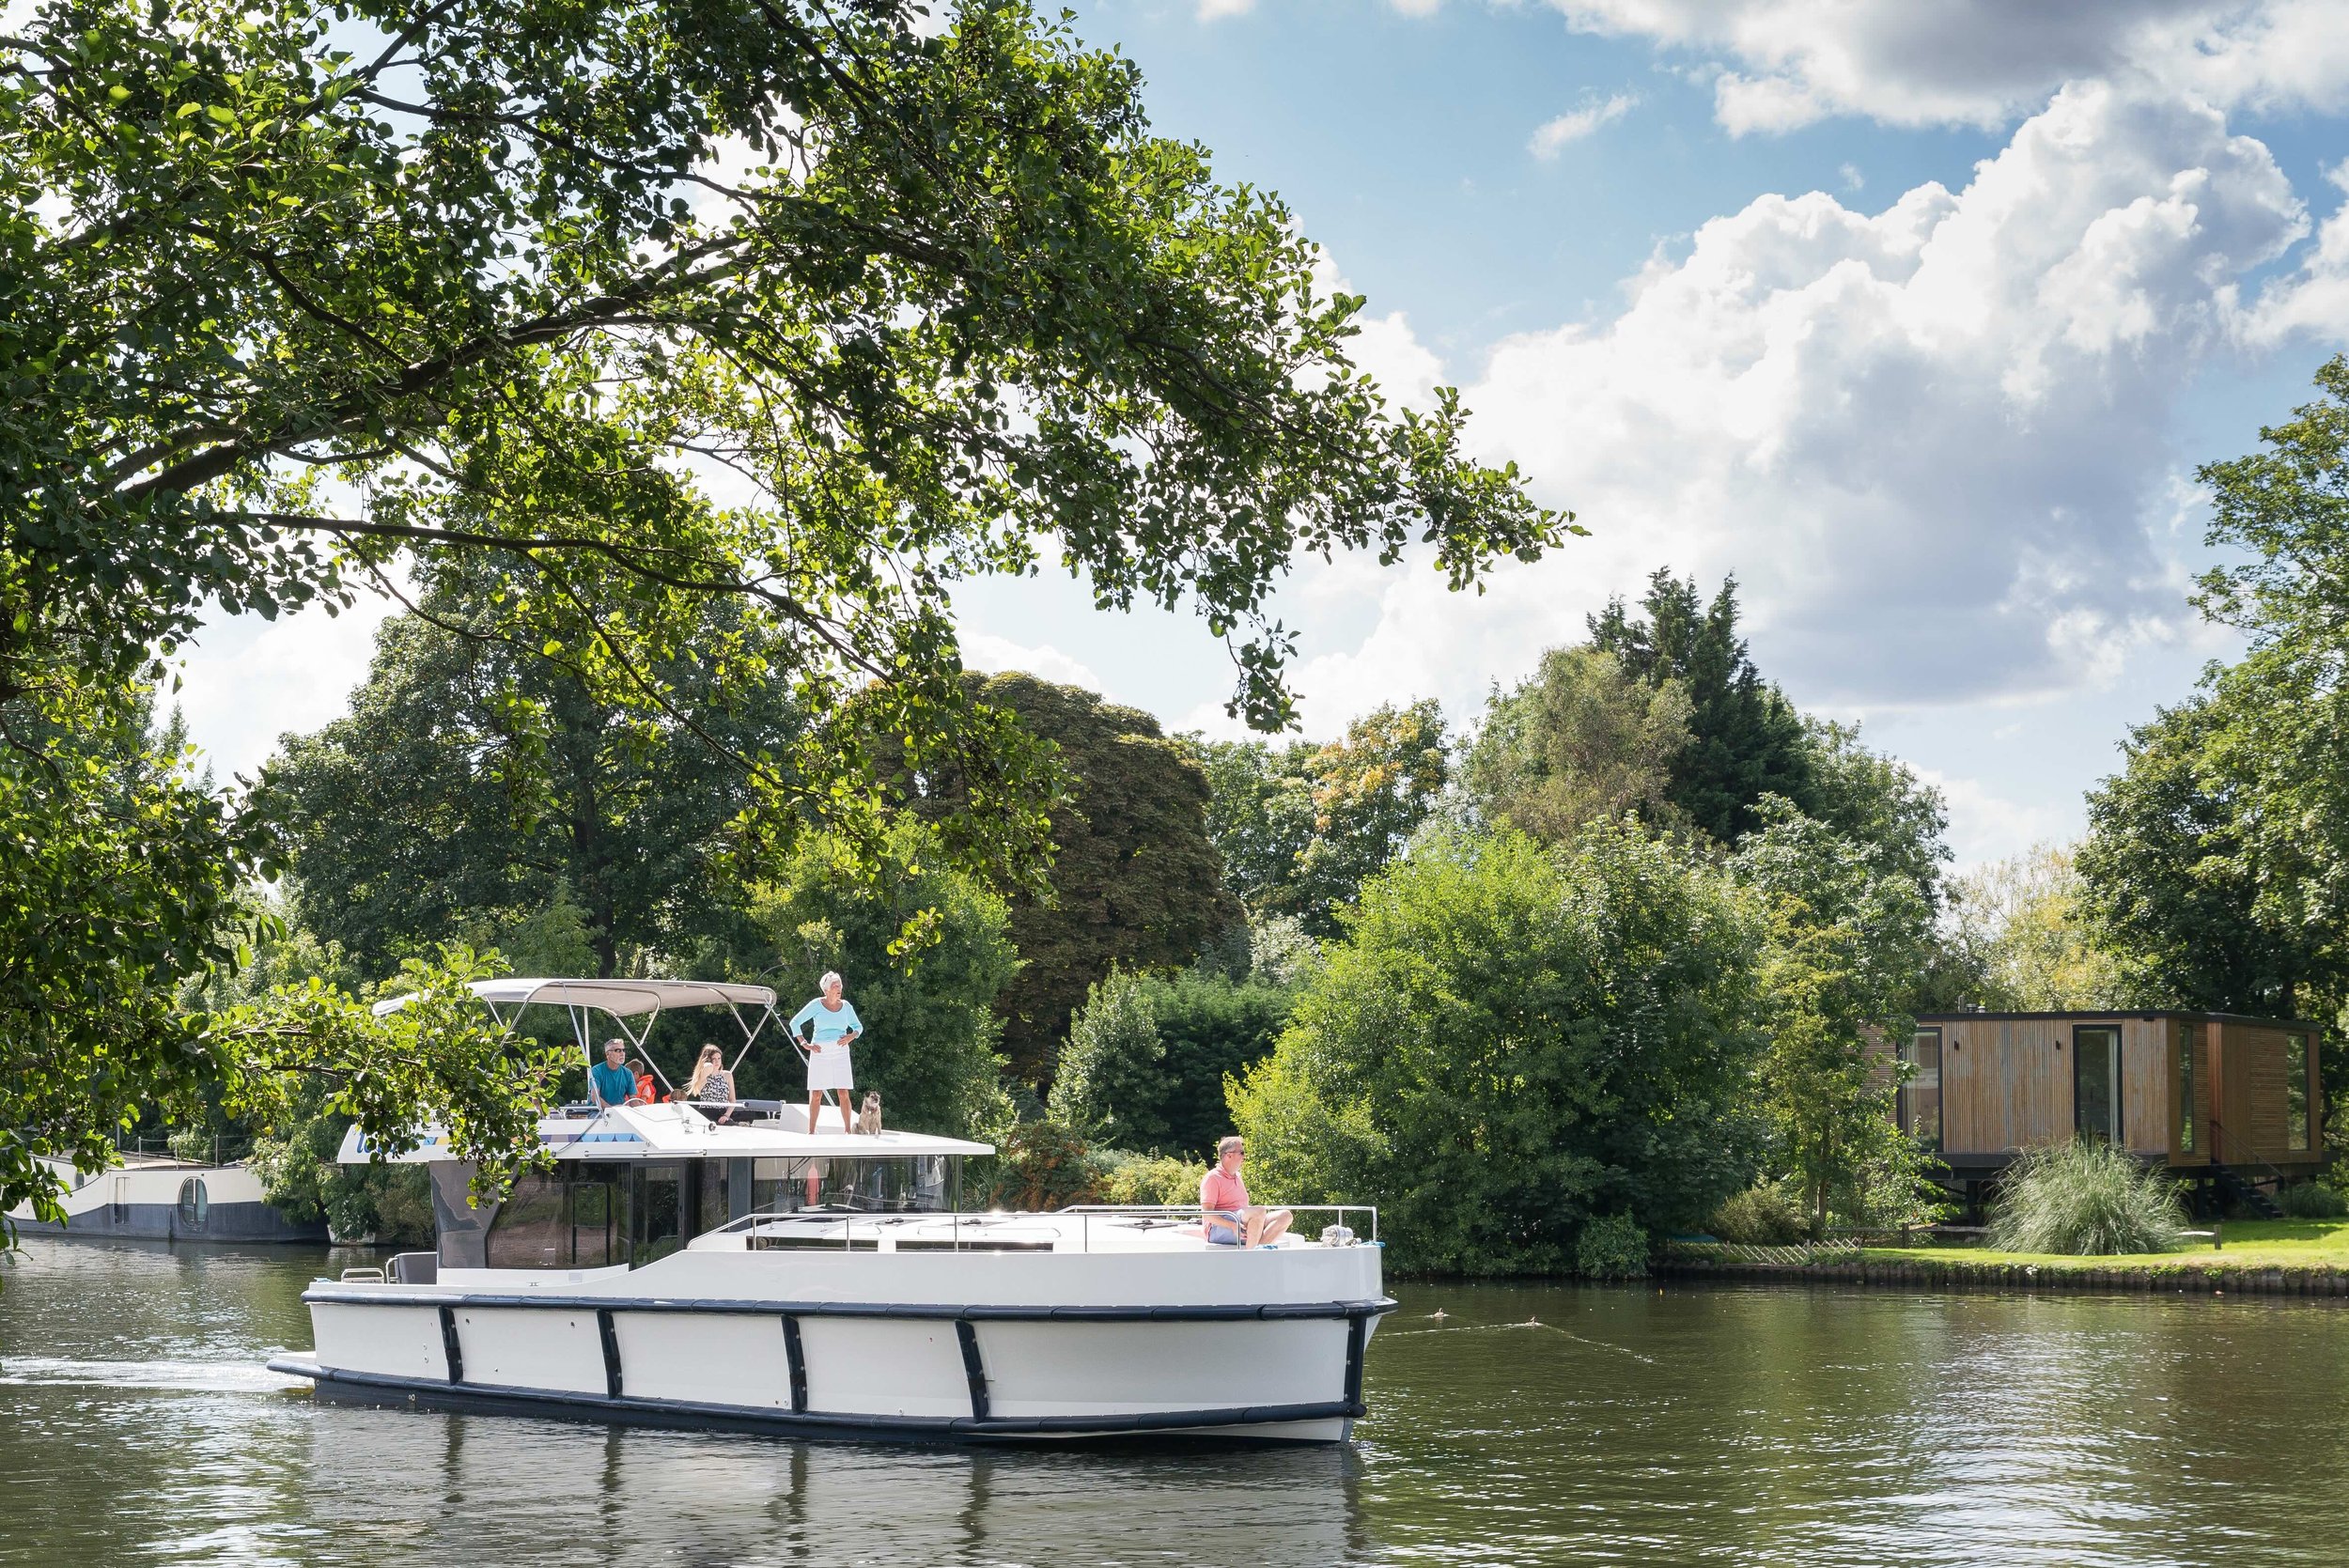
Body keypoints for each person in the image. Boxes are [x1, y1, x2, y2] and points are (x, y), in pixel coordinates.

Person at [790, 971, 863, 1135]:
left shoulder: (846, 1006)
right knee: (816, 1093)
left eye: (840, 985)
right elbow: (795, 1022)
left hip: (841, 1050)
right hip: (820, 1050)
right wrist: (804, 1043)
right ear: (826, 989)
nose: (839, 988)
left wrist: (851, 1036)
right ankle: (811, 1131)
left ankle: (847, 1131)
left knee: (843, 1092)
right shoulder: (816, 1004)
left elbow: (858, 1027)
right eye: (835, 986)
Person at [1200, 1136, 1290, 1248]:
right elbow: (1207, 1214)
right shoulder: (1213, 1178)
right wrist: (1233, 1225)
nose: (1244, 1156)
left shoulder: (1238, 1177)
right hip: (1218, 1229)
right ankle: (1251, 1256)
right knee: (1259, 1211)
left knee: (1285, 1216)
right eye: (1241, 1153)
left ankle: (1254, 1252)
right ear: (1229, 1155)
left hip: (1241, 1221)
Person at [685, 1044, 739, 1123]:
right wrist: (708, 1068)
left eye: (719, 1058)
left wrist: (726, 1115)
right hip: (706, 1114)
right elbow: (697, 1091)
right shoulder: (705, 1073)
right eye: (714, 1059)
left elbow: (732, 1100)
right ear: (709, 1060)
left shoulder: (728, 1075)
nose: (717, 1061)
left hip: (723, 1114)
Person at [588, 1039, 637, 1110]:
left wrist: (642, 1113)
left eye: (623, 1050)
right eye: (618, 1050)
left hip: (620, 1113)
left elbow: (633, 1098)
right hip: (597, 1113)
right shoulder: (596, 1071)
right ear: (607, 1054)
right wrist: (612, 1111)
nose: (622, 1053)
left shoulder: (628, 1073)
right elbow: (594, 1097)